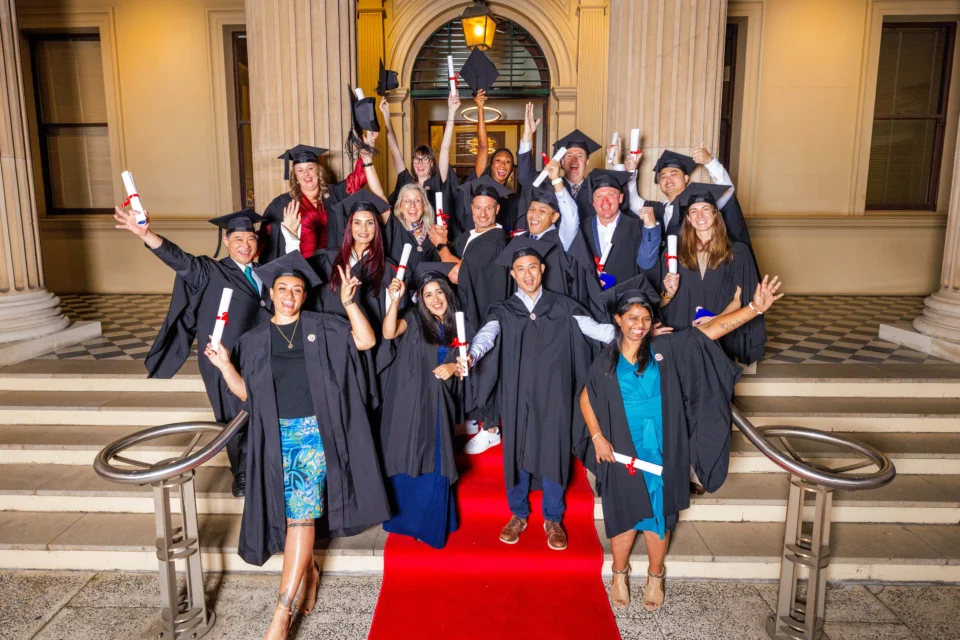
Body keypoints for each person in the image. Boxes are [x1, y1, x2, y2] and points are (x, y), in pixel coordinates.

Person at [205, 251, 390, 640]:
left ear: (305, 296)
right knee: (295, 519)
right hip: (276, 440)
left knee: (300, 518)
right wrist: (225, 366)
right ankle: (310, 569)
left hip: (313, 438)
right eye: (283, 288)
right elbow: (248, 398)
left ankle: (281, 614)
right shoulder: (253, 341)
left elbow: (366, 339)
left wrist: (351, 304)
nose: (290, 295)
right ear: (271, 293)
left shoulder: (323, 326)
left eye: (298, 290)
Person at [576, 276, 783, 611]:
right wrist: (598, 437)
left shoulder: (666, 349)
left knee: (661, 515)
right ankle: (618, 573)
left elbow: (708, 333)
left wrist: (753, 309)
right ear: (618, 319)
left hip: (663, 447)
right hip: (621, 450)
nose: (639, 326)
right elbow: (587, 397)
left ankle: (656, 575)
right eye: (632, 318)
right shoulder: (605, 361)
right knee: (624, 516)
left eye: (645, 319)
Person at [461, 237, 630, 550]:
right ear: (512, 274)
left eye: (532, 268)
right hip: (516, 398)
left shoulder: (563, 306)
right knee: (517, 452)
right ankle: (519, 514)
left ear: (542, 269)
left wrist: (634, 332)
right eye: (520, 269)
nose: (527, 274)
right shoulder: (504, 310)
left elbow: (598, 330)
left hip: (555, 397)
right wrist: (471, 355)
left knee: (554, 450)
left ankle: (552, 517)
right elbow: (487, 336)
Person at [115, 206, 271, 499]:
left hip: (260, 355)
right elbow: (179, 260)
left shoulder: (264, 274)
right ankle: (242, 473)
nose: (245, 245)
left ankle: (265, 465)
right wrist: (146, 234)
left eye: (250, 239)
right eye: (238, 239)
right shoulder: (210, 271)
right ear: (226, 241)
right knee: (233, 415)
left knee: (263, 409)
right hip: (223, 357)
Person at [378, 263, 473, 548]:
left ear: (447, 293)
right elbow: (389, 332)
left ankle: (432, 525)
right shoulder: (414, 319)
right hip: (409, 399)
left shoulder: (459, 323)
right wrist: (394, 302)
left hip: (439, 403)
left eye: (439, 292)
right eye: (428, 294)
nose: (435, 299)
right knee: (408, 453)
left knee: (435, 457)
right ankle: (405, 521)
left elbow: (465, 366)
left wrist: (455, 368)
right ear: (421, 298)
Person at [437, 176, 513, 454]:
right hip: (468, 309)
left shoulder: (496, 241)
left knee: (486, 367)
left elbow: (459, 274)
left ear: (497, 210)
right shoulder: (469, 236)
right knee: (471, 367)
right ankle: (476, 416)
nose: (482, 213)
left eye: (488, 208)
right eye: (478, 207)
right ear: (470, 207)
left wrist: (440, 246)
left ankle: (491, 428)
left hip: (486, 312)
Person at [660, 183, 766, 364]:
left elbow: (738, 299)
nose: (700, 215)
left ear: (716, 214)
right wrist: (668, 293)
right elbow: (661, 302)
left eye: (705, 209)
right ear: (688, 219)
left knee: (716, 385)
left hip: (720, 332)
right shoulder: (672, 253)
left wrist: (715, 321)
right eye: (693, 211)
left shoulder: (737, 252)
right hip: (680, 332)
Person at [258, 135, 380, 263]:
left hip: (332, 265)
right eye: (300, 170)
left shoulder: (335, 194)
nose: (306, 174)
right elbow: (265, 239)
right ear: (295, 177)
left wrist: (366, 155)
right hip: (301, 267)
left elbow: (359, 178)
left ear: (318, 171)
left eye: (310, 168)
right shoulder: (283, 203)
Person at [309, 189, 395, 327]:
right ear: (350, 226)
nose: (363, 229)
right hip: (331, 337)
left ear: (377, 227)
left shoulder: (387, 268)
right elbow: (298, 279)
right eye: (357, 222)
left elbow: (388, 318)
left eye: (370, 222)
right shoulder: (328, 258)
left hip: (365, 341)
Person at [578, 169, 662, 291]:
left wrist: (651, 228)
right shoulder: (581, 228)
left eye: (611, 195)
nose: (605, 201)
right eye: (599, 196)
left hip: (626, 300)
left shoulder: (637, 227)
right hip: (592, 302)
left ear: (621, 198)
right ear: (593, 201)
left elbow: (647, 263)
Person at [380, 92, 461, 212]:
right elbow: (394, 150)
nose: (420, 163)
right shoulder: (406, 180)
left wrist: (452, 112)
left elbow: (445, 149)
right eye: (417, 159)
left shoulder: (438, 180)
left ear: (432, 162)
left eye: (425, 159)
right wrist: (386, 116)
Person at [382, 183, 446, 280]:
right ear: (400, 206)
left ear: (424, 205)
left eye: (417, 200)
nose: (412, 205)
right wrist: (368, 166)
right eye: (407, 200)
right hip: (396, 291)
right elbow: (379, 196)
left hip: (424, 292)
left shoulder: (434, 233)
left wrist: (443, 242)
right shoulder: (394, 226)